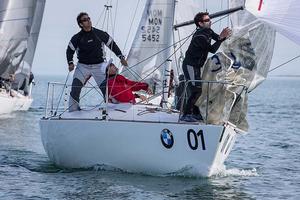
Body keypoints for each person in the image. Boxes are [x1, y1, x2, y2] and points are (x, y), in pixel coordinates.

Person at [66, 12, 128, 111]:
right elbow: (69, 50)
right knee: (75, 88)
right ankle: (73, 110)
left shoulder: (100, 34)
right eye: (85, 20)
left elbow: (112, 44)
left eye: (89, 18)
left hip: (100, 66)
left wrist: (121, 57)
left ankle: (113, 109)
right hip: (83, 66)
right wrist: (70, 63)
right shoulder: (76, 38)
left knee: (107, 89)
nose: (88, 21)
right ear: (81, 24)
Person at [180, 12, 231, 122]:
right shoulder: (200, 36)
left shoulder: (208, 31)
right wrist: (221, 38)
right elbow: (212, 49)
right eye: (207, 20)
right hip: (190, 65)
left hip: (197, 66)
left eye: (209, 19)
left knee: (201, 90)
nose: (210, 21)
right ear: (200, 23)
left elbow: (218, 38)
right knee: (196, 90)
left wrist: (225, 36)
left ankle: (197, 114)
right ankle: (186, 115)